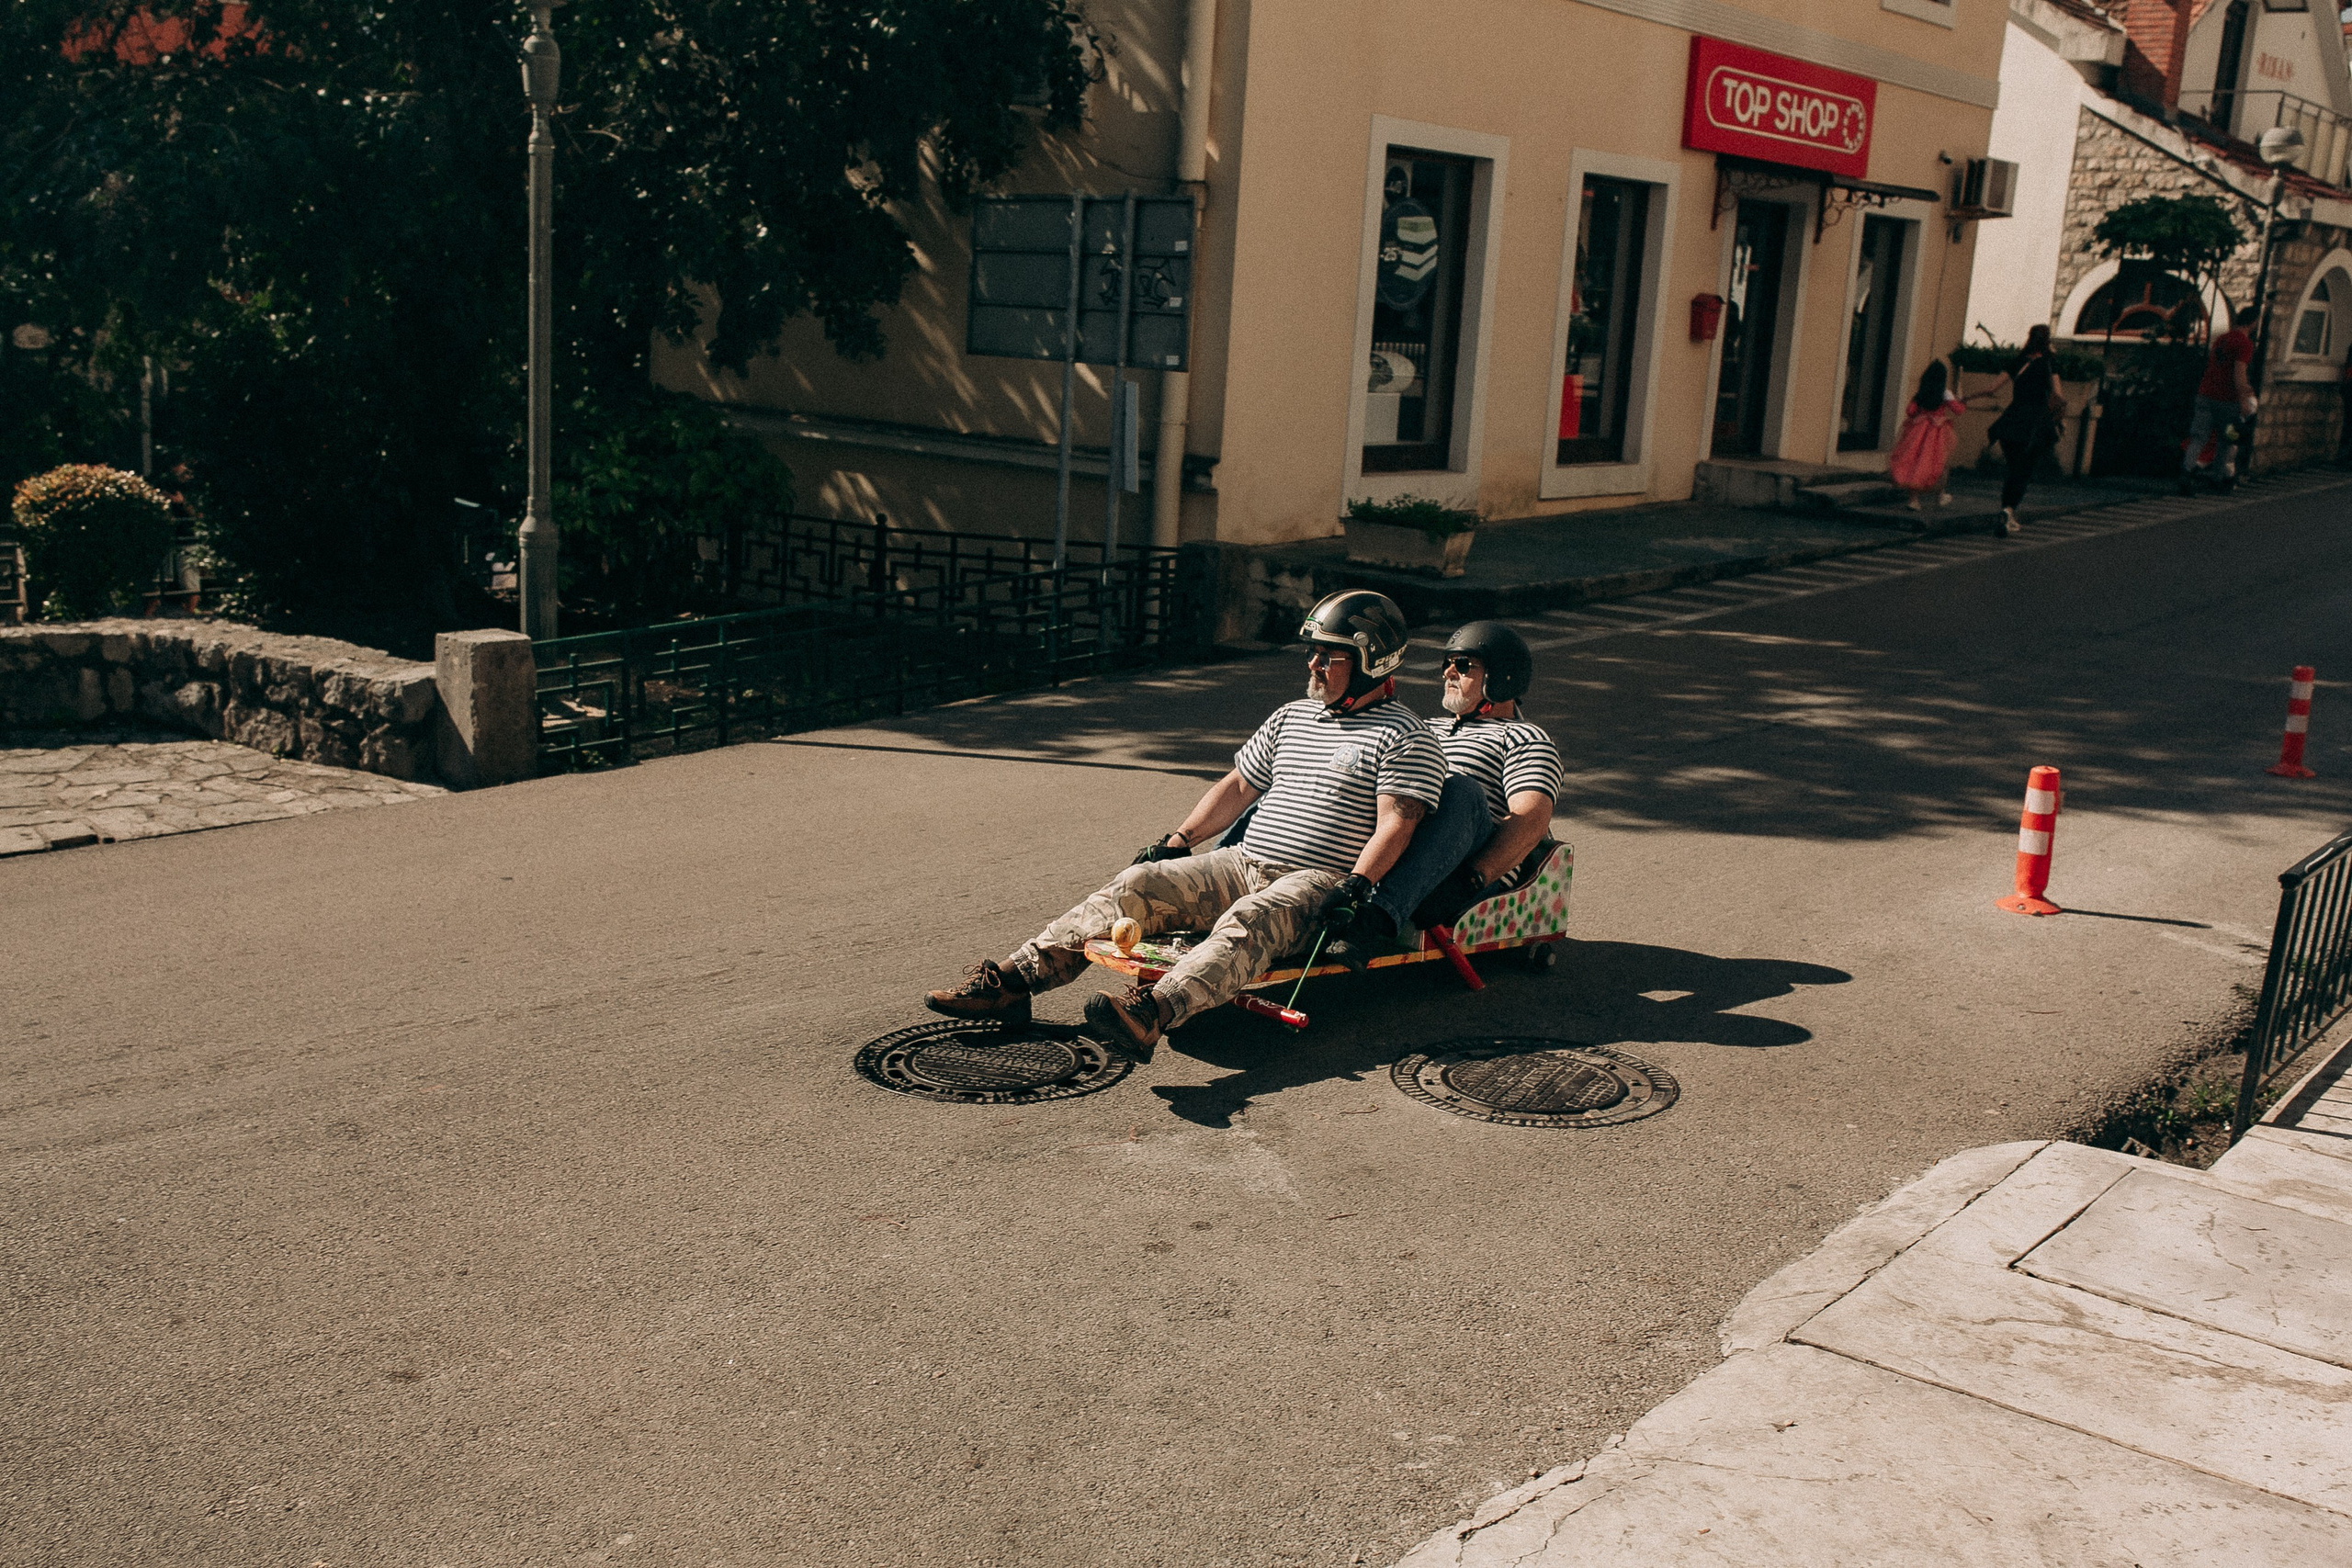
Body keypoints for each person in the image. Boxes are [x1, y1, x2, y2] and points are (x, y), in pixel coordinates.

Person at [923, 589, 1445, 1061]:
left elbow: (1397, 823)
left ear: (1372, 662)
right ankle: (1013, 984)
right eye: (1313, 652)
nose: (1313, 664)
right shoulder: (1292, 716)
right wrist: (1179, 840)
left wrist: (1356, 886)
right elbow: (1237, 787)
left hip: (1317, 882)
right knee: (1137, 883)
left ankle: (1153, 1012)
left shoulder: (1404, 735)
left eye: (1329, 656)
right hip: (1242, 862)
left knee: (1251, 918)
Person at [1322, 621, 1562, 970]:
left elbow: (1531, 823)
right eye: (1447, 663)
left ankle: (1373, 920)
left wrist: (1473, 878)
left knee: (1460, 790)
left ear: (1502, 675)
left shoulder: (1524, 738)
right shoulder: (1424, 728)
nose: (1449, 672)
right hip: (1393, 848)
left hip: (1461, 875)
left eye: (1463, 665)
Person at [1984, 324, 2064, 537]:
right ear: (2047, 340)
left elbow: (1992, 388)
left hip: (2012, 420)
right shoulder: (2049, 362)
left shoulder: (2018, 360)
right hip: (2035, 423)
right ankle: (2008, 511)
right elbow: (2058, 394)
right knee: (2024, 470)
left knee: (2013, 468)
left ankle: (2006, 511)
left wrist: (1968, 397)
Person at [2181, 321, 2257, 493]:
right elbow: (2239, 372)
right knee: (2227, 439)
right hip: (2227, 400)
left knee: (2199, 437)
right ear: (2254, 323)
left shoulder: (2221, 339)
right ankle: (2219, 478)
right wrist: (2243, 400)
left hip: (2206, 394)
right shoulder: (2244, 343)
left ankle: (2186, 472)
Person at [1886, 360, 1968, 519]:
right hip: (1937, 432)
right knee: (1938, 462)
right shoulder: (1945, 393)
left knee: (1914, 462)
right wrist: (1962, 401)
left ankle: (1913, 500)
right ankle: (1940, 494)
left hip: (1917, 430)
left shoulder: (1921, 393)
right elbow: (1958, 410)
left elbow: (1910, 411)